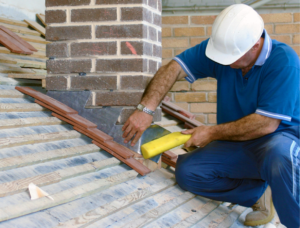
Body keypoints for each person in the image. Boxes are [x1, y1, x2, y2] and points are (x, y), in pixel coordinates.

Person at [122, 4, 300, 227]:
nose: (224, 62)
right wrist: (146, 109)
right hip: (237, 141)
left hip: (277, 140)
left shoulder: (284, 61)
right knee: (188, 172)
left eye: (231, 57)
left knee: (280, 157)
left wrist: (211, 133)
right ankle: (256, 193)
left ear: (255, 45)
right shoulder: (223, 50)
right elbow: (174, 67)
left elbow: (265, 124)